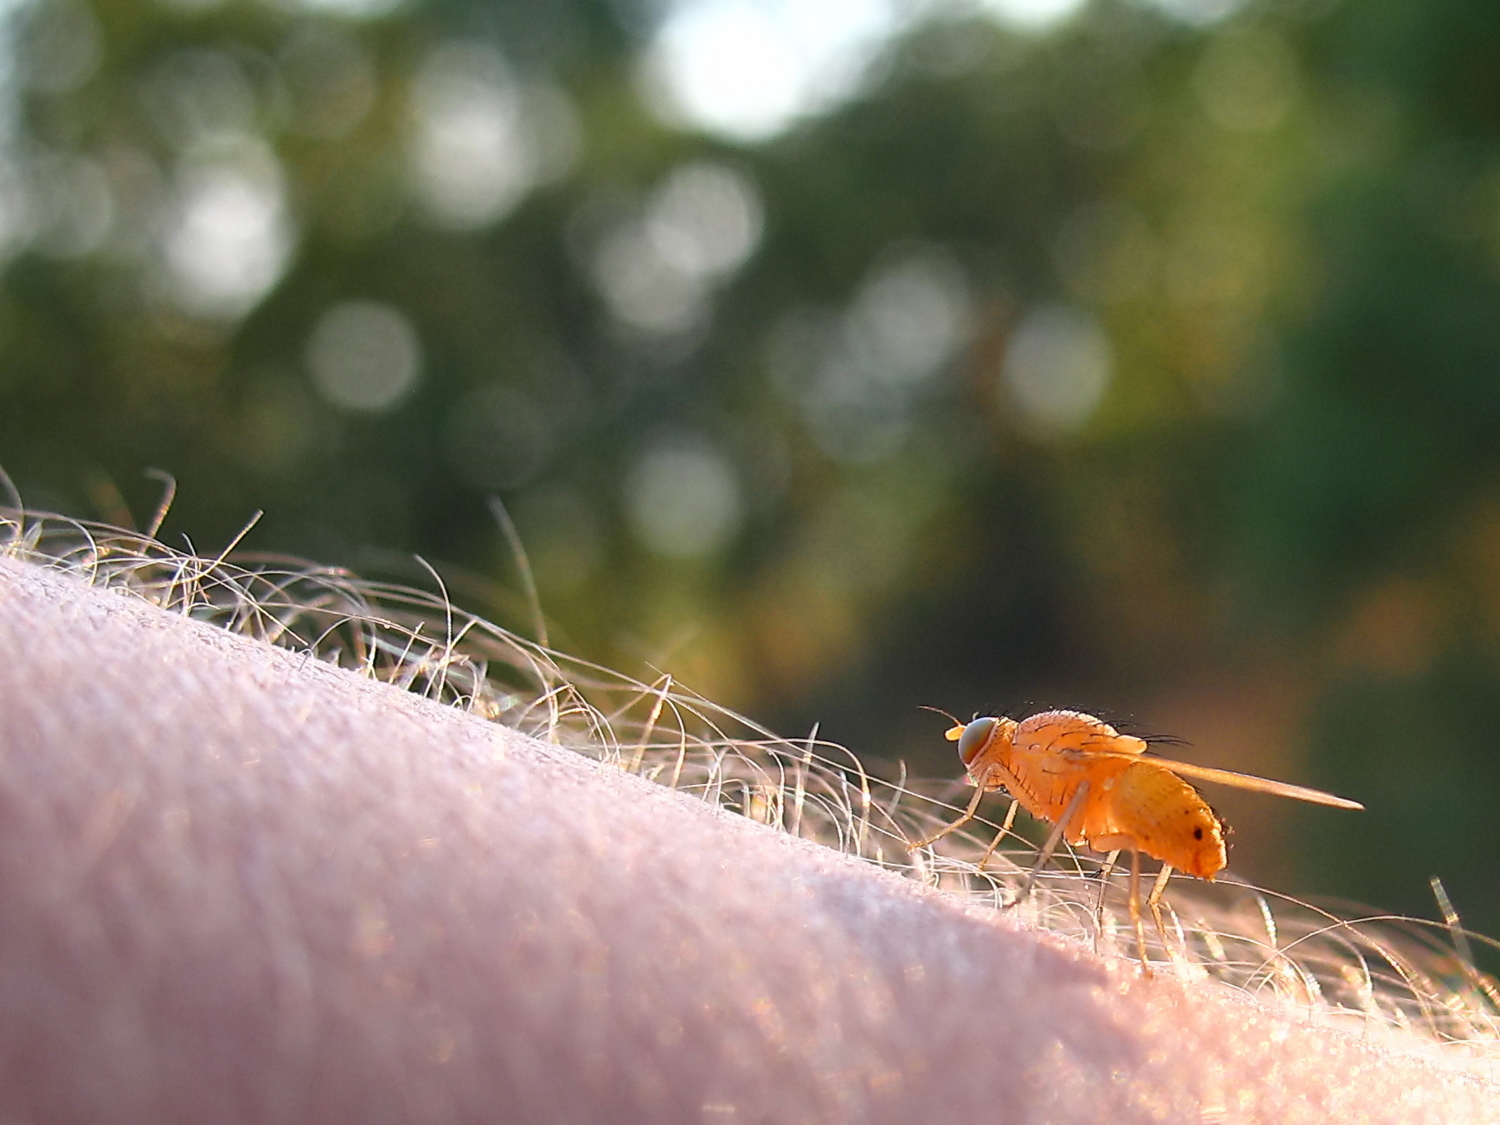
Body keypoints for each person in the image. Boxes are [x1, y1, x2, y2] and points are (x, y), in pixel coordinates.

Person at [0, 555, 1492, 1124]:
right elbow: (1076, 793)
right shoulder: (1036, 764)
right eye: (984, 755)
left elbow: (1103, 790)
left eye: (981, 752)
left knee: (1108, 842)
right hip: (1138, 802)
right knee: (1101, 846)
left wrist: (1111, 817)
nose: (977, 767)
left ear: (1003, 745)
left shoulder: (1057, 764)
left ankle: (1143, 924)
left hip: (1148, 801)